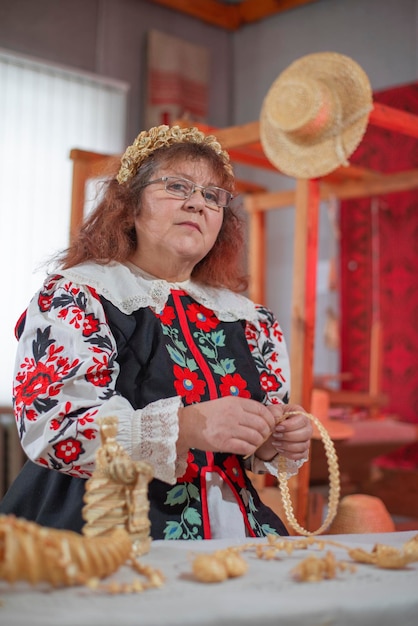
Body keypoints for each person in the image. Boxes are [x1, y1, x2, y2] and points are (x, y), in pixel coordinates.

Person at [0, 124, 312, 539]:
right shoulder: (78, 294)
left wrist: (275, 441)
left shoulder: (250, 320)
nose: (198, 204)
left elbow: (257, 445)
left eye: (212, 196)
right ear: (129, 206)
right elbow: (54, 427)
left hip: (234, 529)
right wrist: (186, 426)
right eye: (178, 187)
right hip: (101, 527)